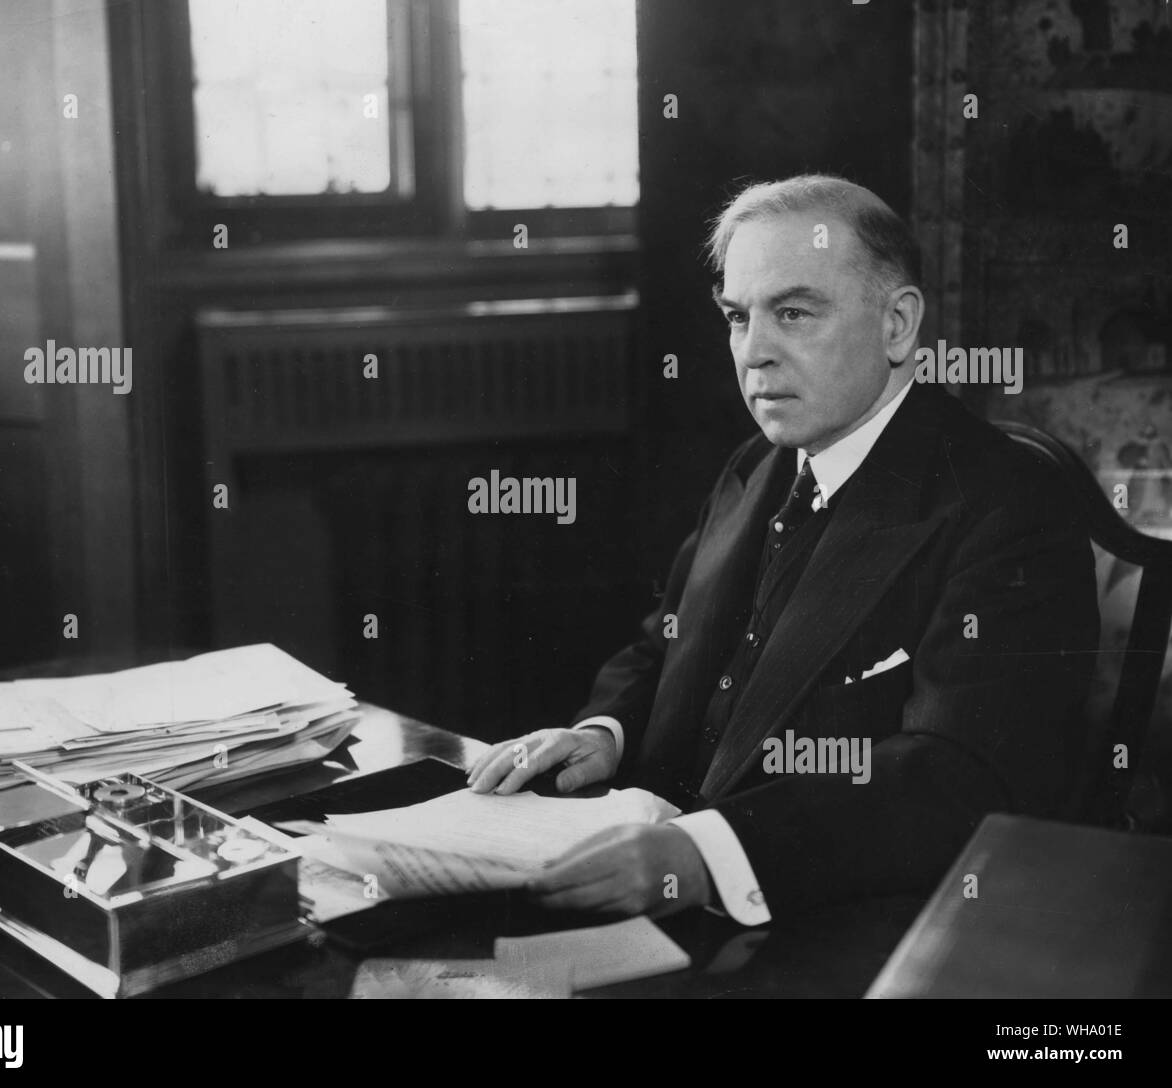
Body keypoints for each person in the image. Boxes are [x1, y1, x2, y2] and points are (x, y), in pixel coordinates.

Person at [467, 175, 1100, 924]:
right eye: (738, 317)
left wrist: (708, 855)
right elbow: (664, 643)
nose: (754, 353)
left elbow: (956, 777)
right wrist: (604, 732)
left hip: (856, 925)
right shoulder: (757, 465)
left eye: (794, 313)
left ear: (898, 327)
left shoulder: (1007, 501)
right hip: (671, 888)